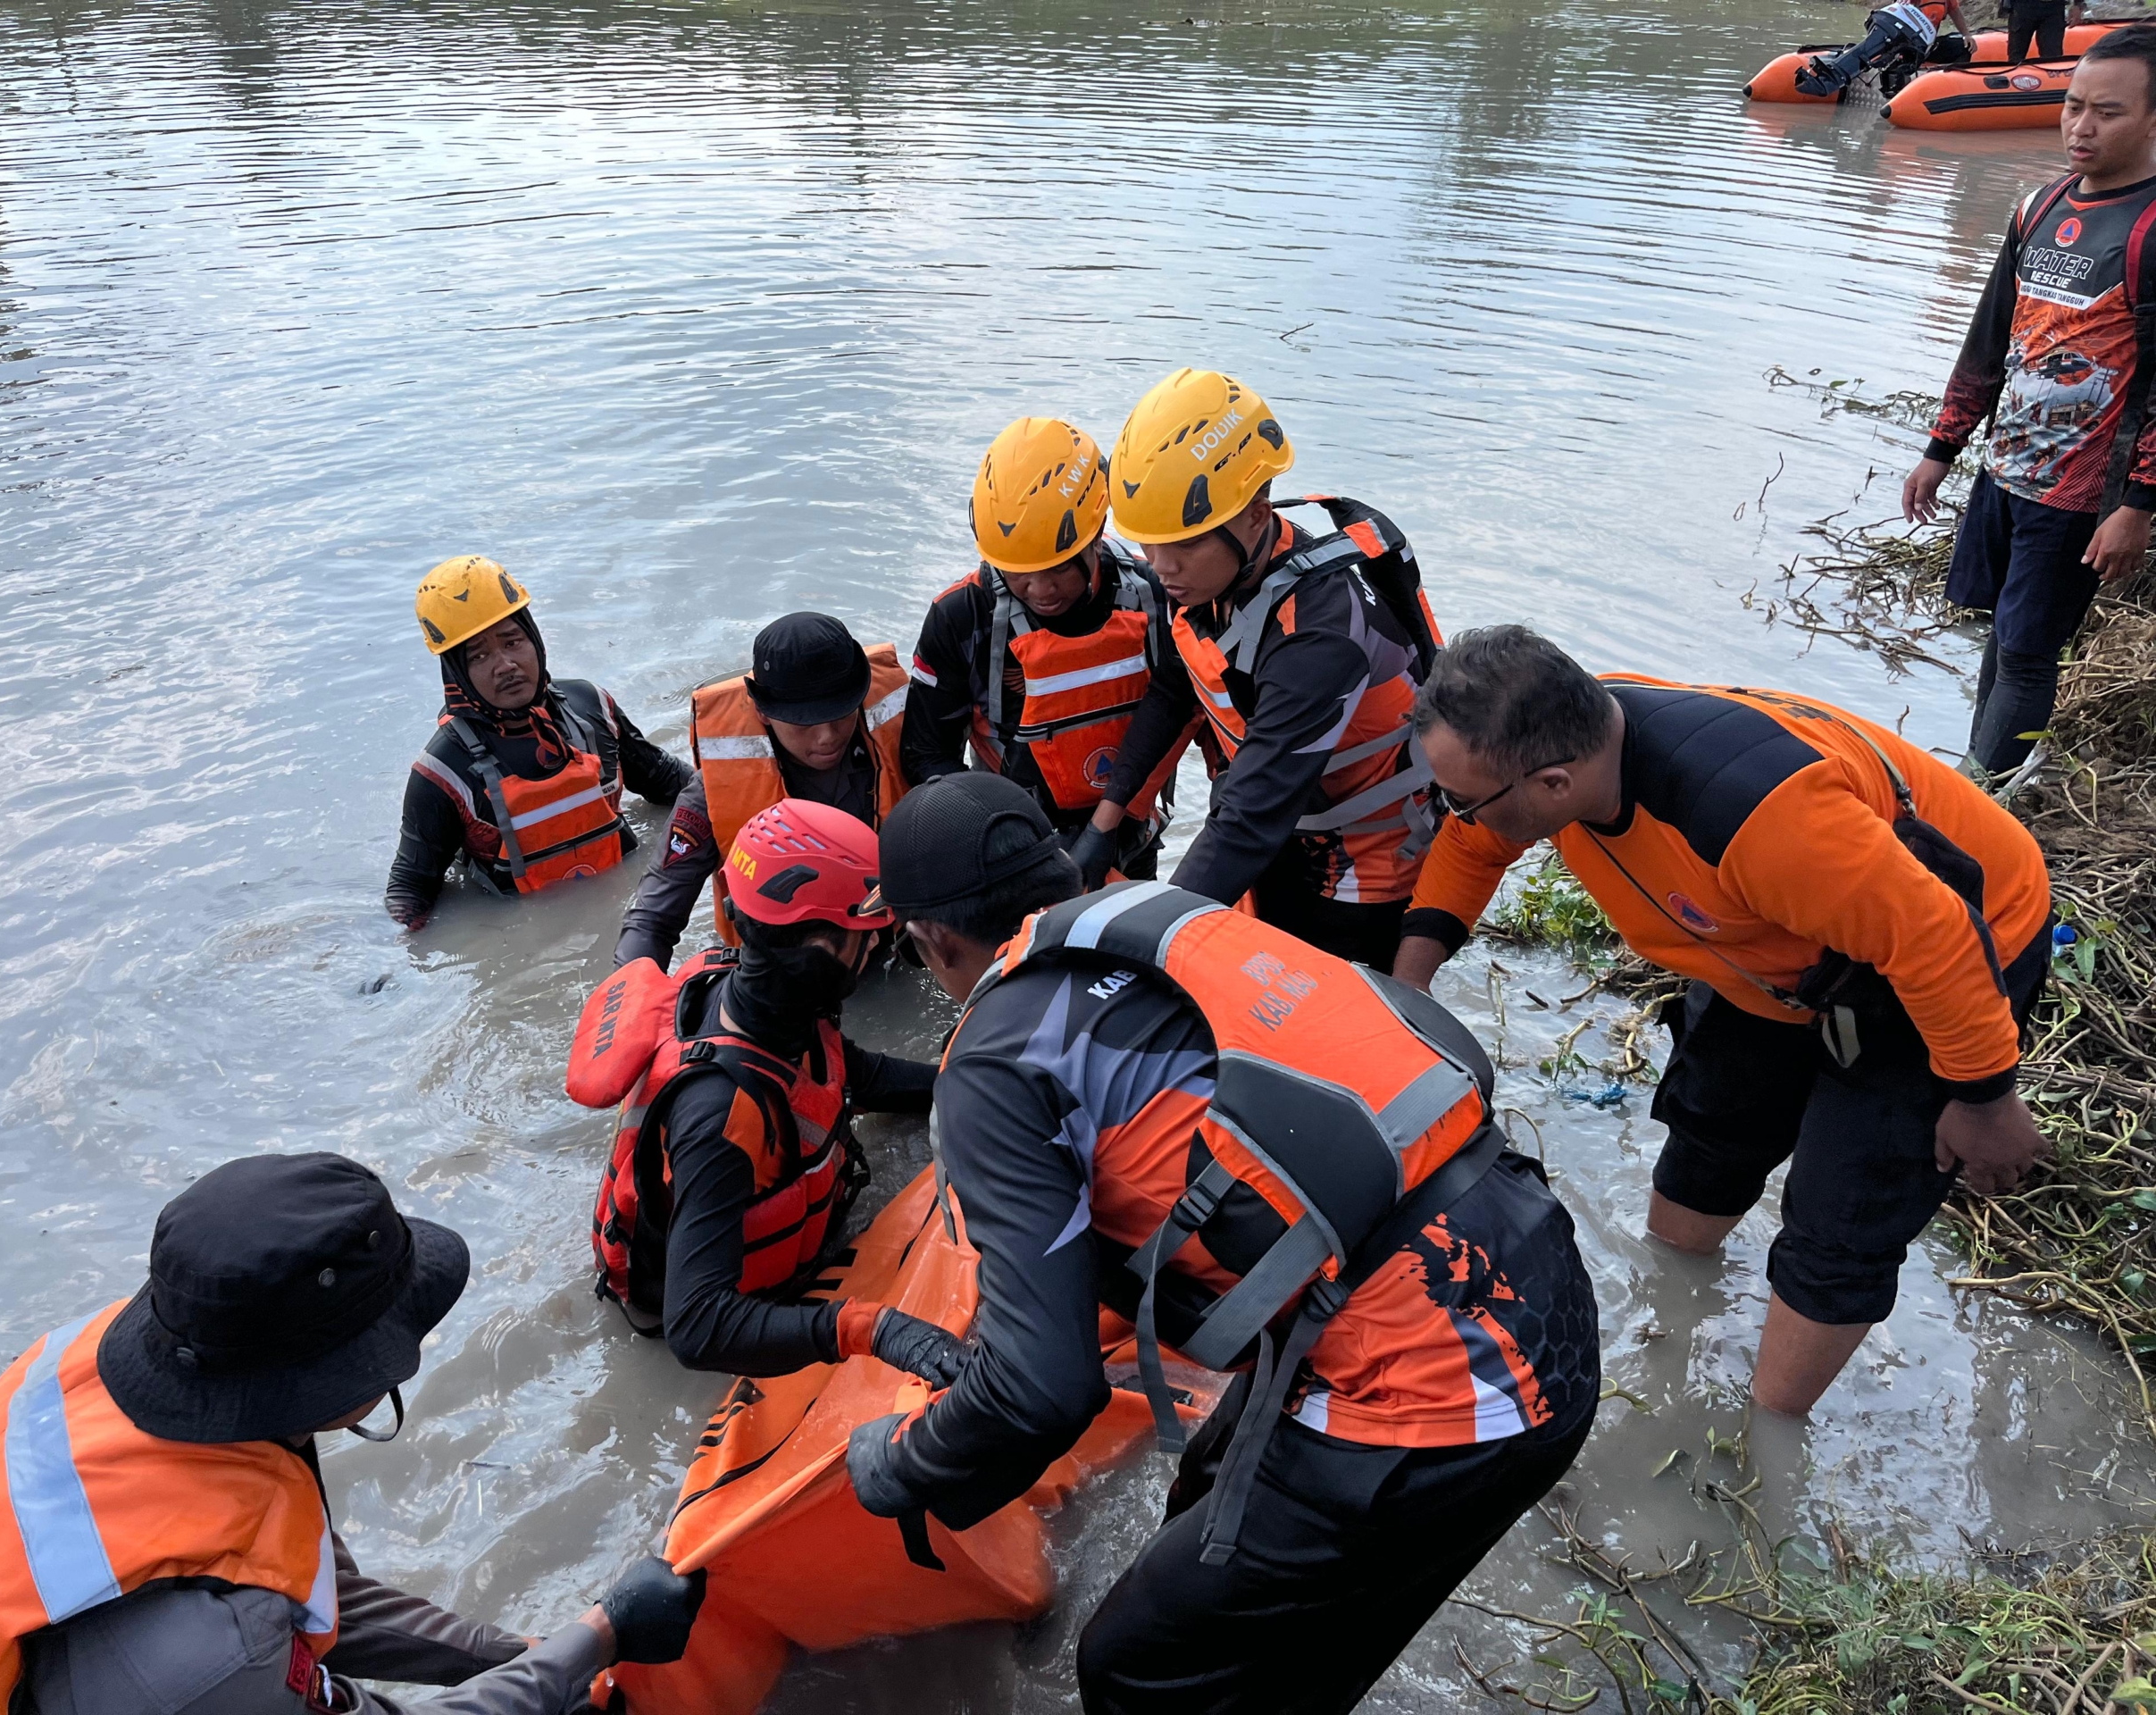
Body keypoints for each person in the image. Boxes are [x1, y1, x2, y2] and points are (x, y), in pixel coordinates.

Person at [845, 772, 1600, 1715]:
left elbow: (1043, 1391)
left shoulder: (993, 1061)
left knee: (1136, 1667)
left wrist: (901, 1464)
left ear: (930, 939)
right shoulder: (1168, 919)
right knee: (1212, 1502)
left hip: (1452, 1389)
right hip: (1533, 1269)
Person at [1389, 627, 2054, 1417]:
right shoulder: (1557, 733)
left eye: (1460, 799)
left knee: (1843, 1215)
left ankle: (1760, 1440)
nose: (1452, 815)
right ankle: (1673, 1302)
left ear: (1557, 786)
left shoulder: (1758, 818)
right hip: (1766, 953)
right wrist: (1409, 993)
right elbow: (1473, 845)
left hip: (1953, 951)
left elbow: (1936, 943)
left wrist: (1984, 1099)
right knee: (1711, 1126)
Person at [0, 1151, 704, 1715]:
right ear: (327, 1376)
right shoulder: (207, 1653)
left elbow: (316, 1593)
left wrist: (510, 1653)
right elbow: (257, 1646)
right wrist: (595, 1641)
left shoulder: (137, 1373)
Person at [1070, 369, 1444, 973]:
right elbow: (1175, 690)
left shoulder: (1317, 635)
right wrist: (1103, 827)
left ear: (1254, 514)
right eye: (1148, 544)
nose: (1160, 567)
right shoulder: (1200, 576)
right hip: (1287, 830)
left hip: (1364, 871)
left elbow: (1246, 822)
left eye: (1183, 544)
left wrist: (1138, 952)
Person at [576, 800, 951, 1380]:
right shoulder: (723, 1115)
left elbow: (860, 1077)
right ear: (815, 947)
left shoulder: (774, 1000)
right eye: (864, 934)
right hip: (713, 1314)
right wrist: (871, 1328)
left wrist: (969, 1085)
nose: (877, 946)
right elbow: (697, 1328)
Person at [1902, 25, 2156, 779]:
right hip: (2005, 474)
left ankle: (1980, 802)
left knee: (2026, 651)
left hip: (2083, 495)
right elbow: (1987, 346)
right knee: (1998, 637)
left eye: (2106, 112)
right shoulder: (2036, 207)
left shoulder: (2149, 230)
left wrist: (2137, 504)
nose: (2080, 126)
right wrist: (1940, 450)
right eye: (2073, 105)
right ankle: (1980, 779)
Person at [902, 416, 1192, 877]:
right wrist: (1002, 831)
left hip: (1127, 829)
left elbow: (1190, 712)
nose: (1040, 590)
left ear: (1095, 534)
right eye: (1018, 571)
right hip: (1013, 841)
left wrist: (1110, 829)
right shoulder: (962, 617)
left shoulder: (1158, 598)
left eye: (1057, 567)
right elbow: (925, 755)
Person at [390, 556, 690, 929]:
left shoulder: (592, 708)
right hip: (519, 936)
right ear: (456, 673)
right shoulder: (442, 772)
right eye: (479, 655)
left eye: (513, 641)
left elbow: (674, 785)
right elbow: (409, 890)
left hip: (624, 911)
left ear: (534, 639)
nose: (505, 664)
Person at [614, 614, 909, 969]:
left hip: (884, 948)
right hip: (775, 973)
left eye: (840, 713)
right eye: (804, 722)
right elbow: (652, 919)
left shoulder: (903, 741)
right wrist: (632, 998)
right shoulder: (714, 792)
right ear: (763, 712)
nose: (827, 736)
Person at [1794, 0, 1972, 97]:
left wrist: (1966, 35)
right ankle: (1831, 78)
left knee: (1962, 47)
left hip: (1920, 41)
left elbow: (1955, 12)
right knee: (1874, 51)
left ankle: (1953, 88)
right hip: (1902, 31)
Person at [2005, 0, 2083, 67]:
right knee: (2015, 60)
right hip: (2022, 7)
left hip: (2054, 8)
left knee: (2053, 60)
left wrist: (2077, 4)